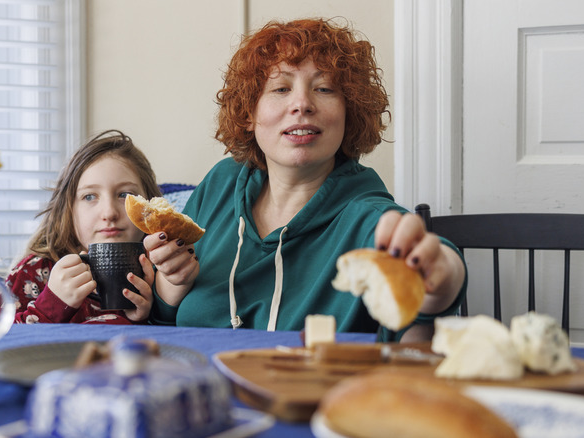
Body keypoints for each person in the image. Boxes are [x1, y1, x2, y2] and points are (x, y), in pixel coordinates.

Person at [146, 18, 466, 341]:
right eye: (281, 88)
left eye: (324, 89)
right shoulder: (219, 184)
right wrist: (171, 284)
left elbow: (428, 295)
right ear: (248, 114)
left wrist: (444, 276)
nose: (301, 104)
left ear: (349, 111)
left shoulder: (368, 217)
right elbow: (167, 322)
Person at [0, 130, 161, 325]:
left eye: (125, 195)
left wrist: (145, 319)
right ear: (68, 210)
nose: (109, 213)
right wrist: (50, 307)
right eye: (90, 196)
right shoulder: (33, 271)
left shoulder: (164, 272)